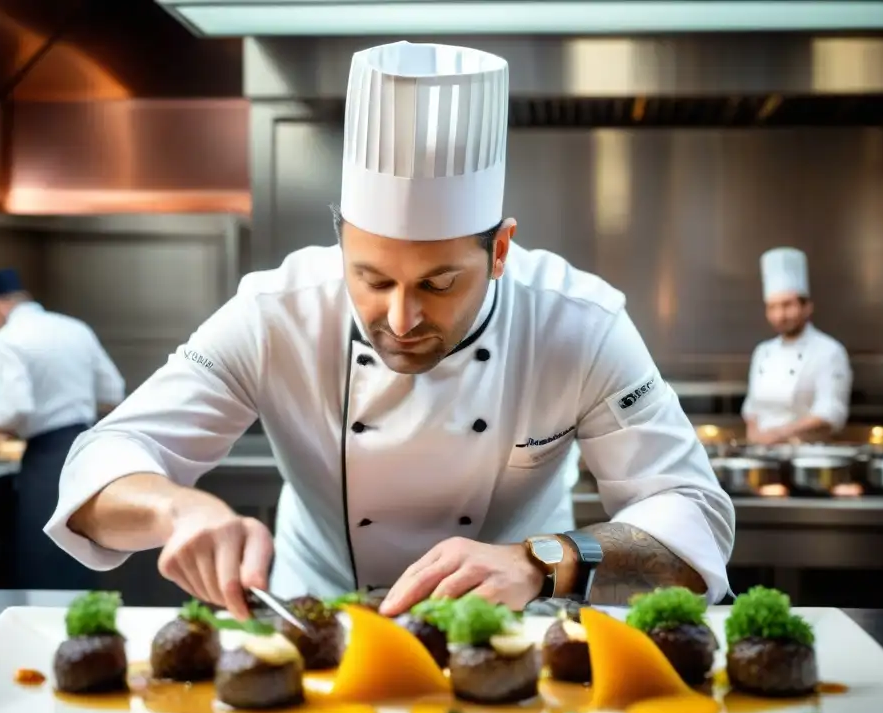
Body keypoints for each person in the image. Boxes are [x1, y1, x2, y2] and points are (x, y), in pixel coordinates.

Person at [45, 41, 735, 620]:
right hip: (314, 623)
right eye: (372, 278)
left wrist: (543, 560)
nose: (400, 319)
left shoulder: (577, 324)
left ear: (499, 252)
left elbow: (695, 517)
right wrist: (175, 511)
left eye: (438, 284)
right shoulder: (276, 313)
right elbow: (103, 459)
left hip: (515, 636)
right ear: (340, 240)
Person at [0, 268, 126, 589]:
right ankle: (87, 631)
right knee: (81, 549)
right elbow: (113, 391)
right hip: (89, 452)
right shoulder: (75, 328)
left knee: (44, 558)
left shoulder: (5, 341)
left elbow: (16, 408)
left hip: (46, 456)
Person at [742, 247, 852, 446]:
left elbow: (831, 413)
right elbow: (751, 408)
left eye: (787, 305)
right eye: (772, 307)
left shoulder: (829, 351)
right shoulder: (762, 351)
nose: (780, 315)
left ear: (807, 306)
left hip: (809, 457)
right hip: (762, 455)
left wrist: (779, 434)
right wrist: (755, 439)